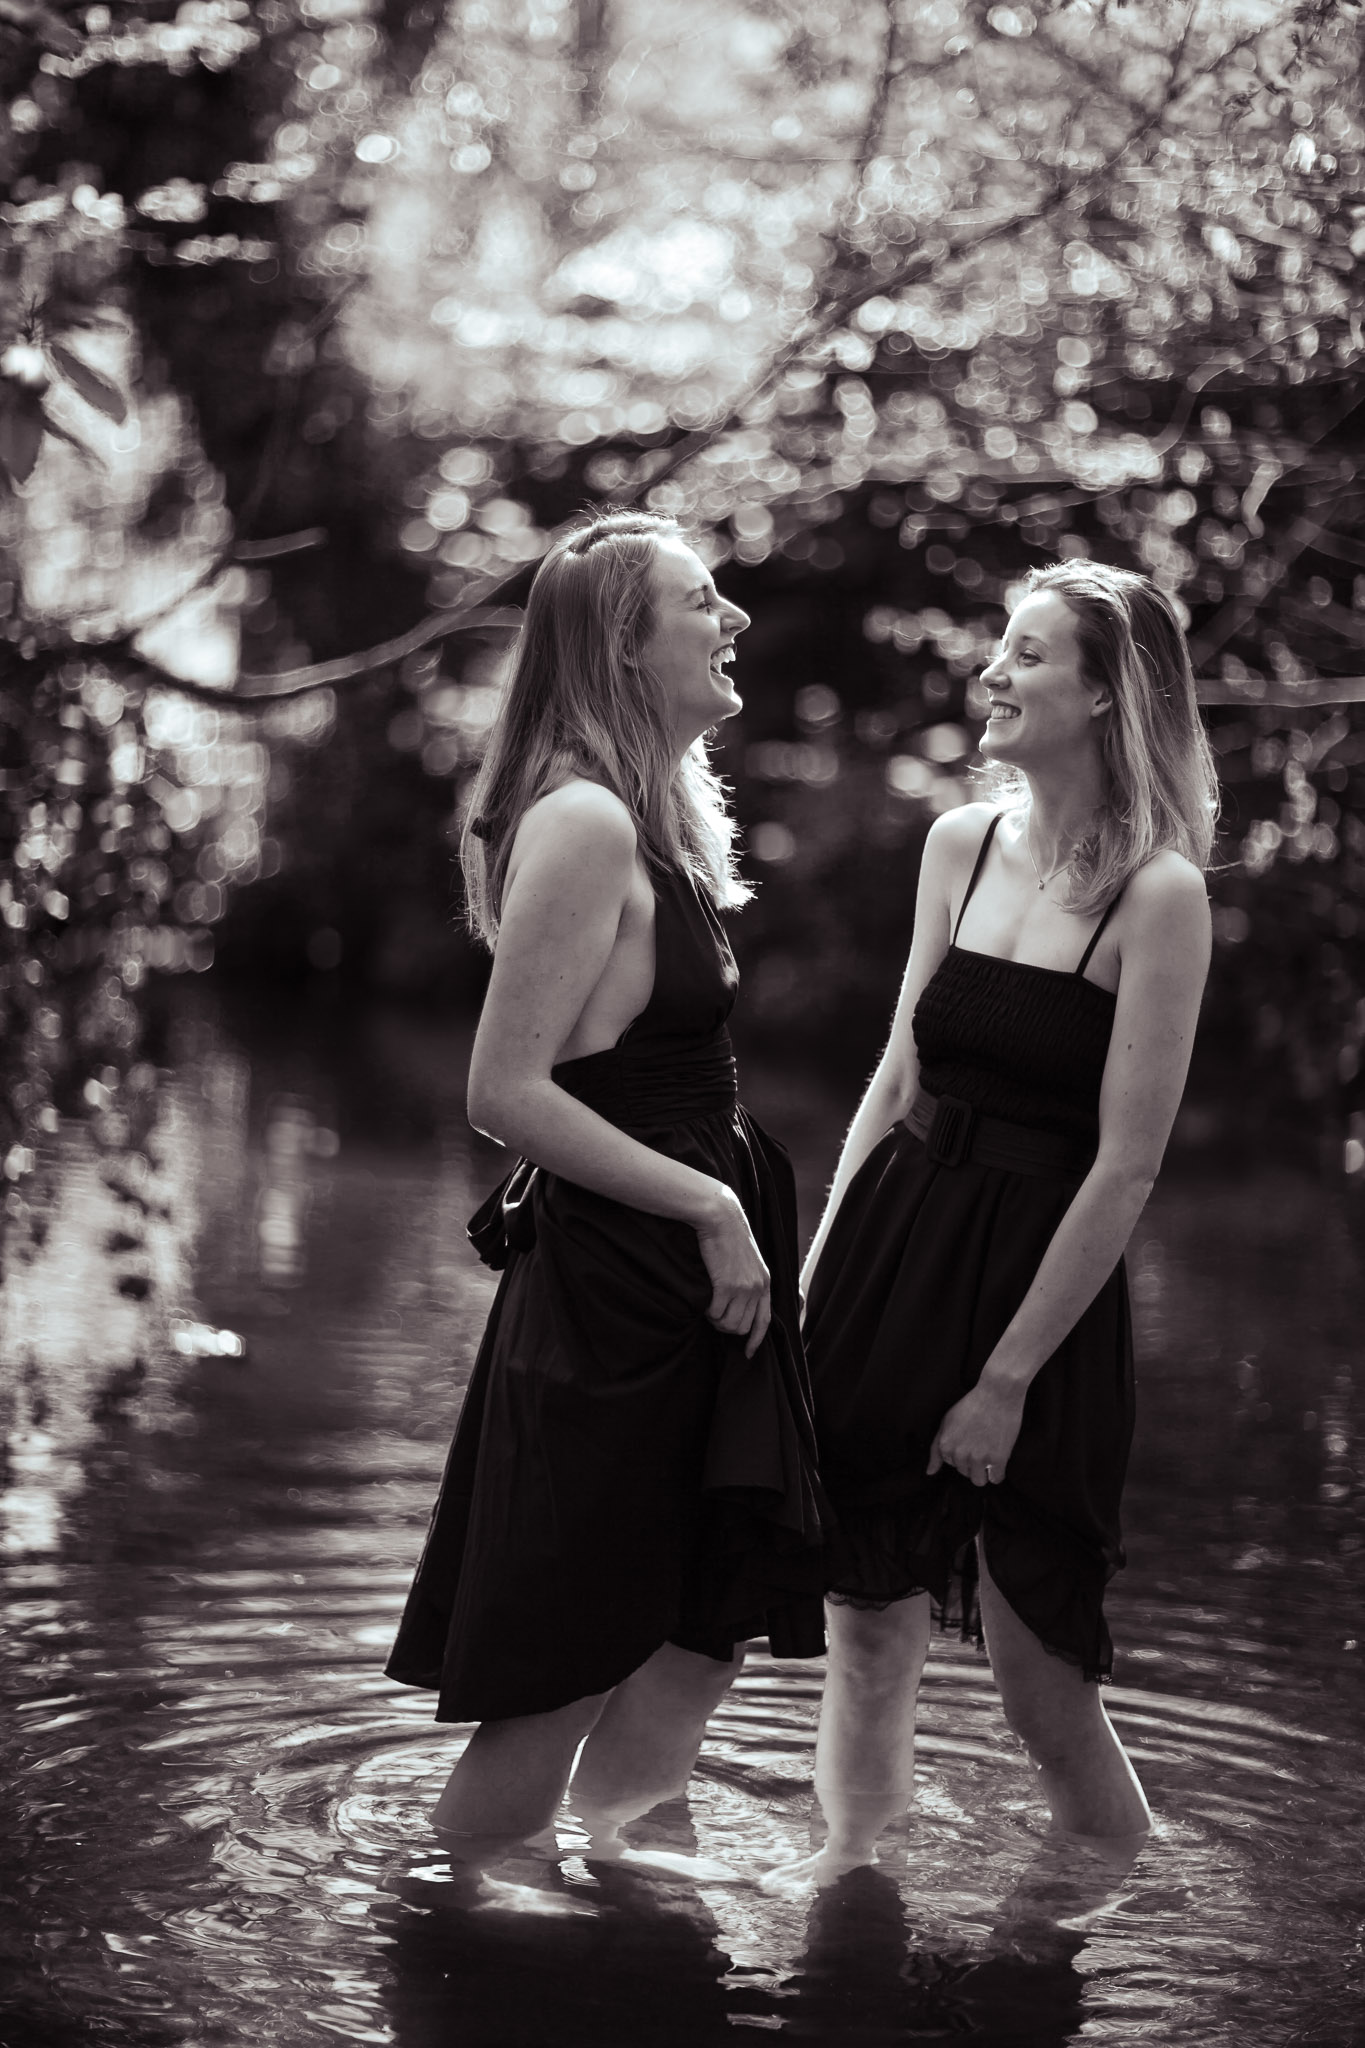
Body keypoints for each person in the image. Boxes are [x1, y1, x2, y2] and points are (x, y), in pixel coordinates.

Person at [385, 509, 825, 1860]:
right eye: (702, 603)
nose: (734, 621)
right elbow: (502, 1094)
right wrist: (708, 1208)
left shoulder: (644, 816)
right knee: (560, 1675)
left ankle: (637, 1902)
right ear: (622, 649)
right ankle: (453, 1943)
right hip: (620, 1294)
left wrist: (726, 1220)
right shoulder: (578, 820)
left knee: (699, 1633)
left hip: (697, 1289)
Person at [782, 561, 1216, 1883]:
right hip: (895, 1249)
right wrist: (818, 1276)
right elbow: (897, 1075)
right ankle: (849, 1901)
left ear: (1102, 691)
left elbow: (1126, 1169)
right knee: (862, 1634)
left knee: (1044, 1680)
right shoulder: (957, 843)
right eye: (998, 649)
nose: (992, 674)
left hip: (1037, 1298)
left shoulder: (1159, 897)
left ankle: (1081, 1919)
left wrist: (1004, 1382)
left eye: (1026, 655)